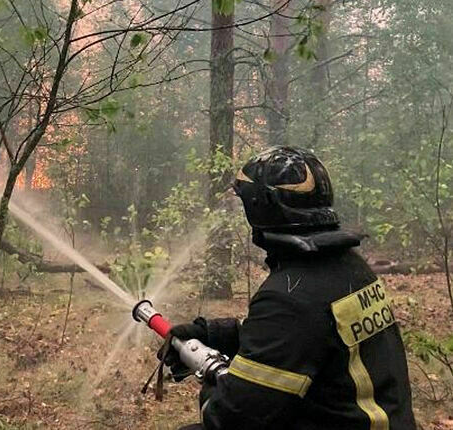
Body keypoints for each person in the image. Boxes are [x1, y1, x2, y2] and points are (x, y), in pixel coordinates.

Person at [161, 146, 416, 430]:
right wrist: (216, 334)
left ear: (261, 207)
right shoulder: (350, 269)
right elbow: (306, 336)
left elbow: (232, 418)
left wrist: (213, 378)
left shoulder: (289, 298)